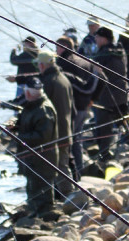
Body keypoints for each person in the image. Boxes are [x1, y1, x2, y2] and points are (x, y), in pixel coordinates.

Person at [55, 36, 105, 178]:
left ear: (63, 48)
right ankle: (79, 172)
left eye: (57, 48)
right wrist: (93, 99)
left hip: (71, 107)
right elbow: (103, 79)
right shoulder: (86, 62)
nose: (55, 51)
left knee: (69, 142)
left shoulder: (63, 63)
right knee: (77, 140)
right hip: (84, 107)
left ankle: (72, 174)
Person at [11, 77, 59, 217]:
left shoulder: (44, 110)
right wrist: (15, 126)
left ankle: (44, 217)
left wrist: (19, 138)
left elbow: (42, 136)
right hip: (32, 157)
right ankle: (33, 214)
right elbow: (26, 122)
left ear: (29, 93)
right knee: (32, 185)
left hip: (43, 157)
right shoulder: (31, 105)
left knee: (42, 187)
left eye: (26, 91)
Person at [37, 50, 74, 196]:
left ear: (42, 65)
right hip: (66, 129)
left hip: (56, 132)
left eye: (39, 64)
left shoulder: (49, 82)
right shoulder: (63, 78)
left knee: (58, 166)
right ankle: (69, 195)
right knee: (62, 164)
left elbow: (43, 107)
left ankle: (67, 195)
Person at [92, 26, 129, 161]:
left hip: (107, 96)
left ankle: (104, 155)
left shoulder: (104, 54)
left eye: (97, 37)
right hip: (122, 93)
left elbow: (98, 74)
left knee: (103, 127)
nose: (95, 39)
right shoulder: (119, 50)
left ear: (104, 38)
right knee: (122, 122)